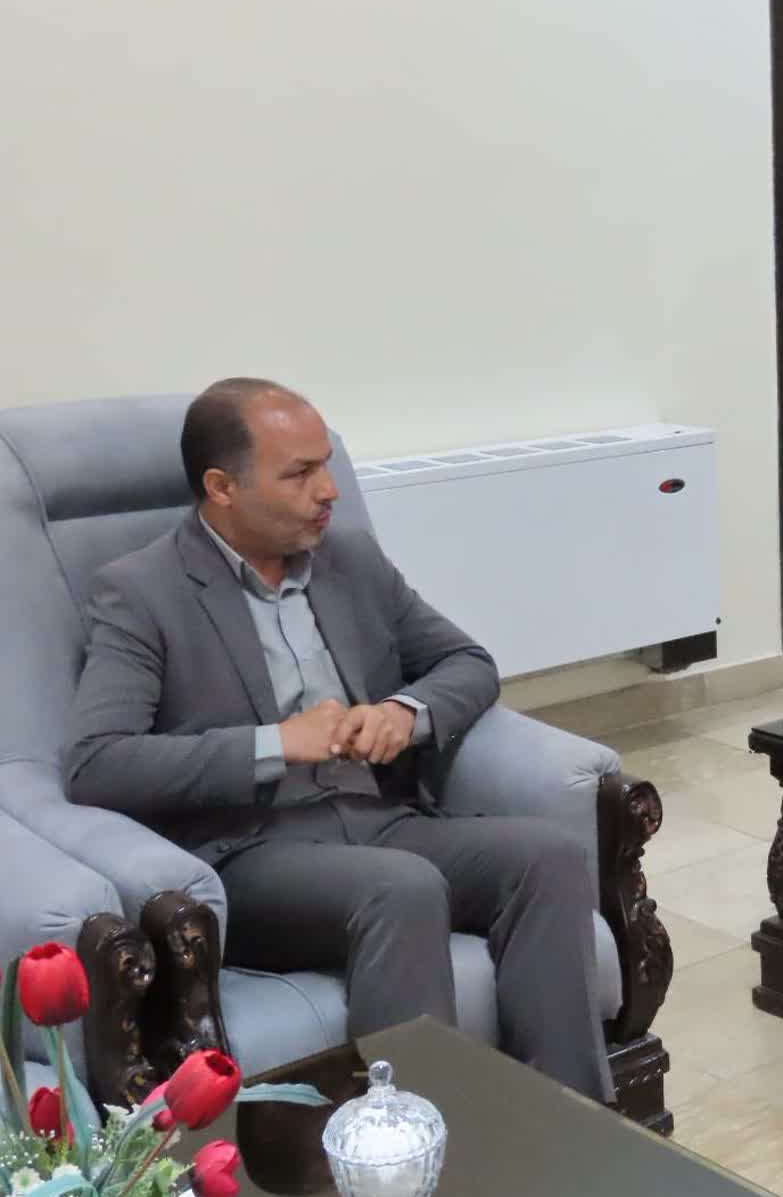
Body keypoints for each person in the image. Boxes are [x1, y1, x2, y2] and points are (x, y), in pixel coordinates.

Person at [61, 378, 613, 1102]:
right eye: (299, 473)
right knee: (402, 888)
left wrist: (404, 713)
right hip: (253, 854)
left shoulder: (351, 560)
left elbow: (467, 662)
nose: (328, 490)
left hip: (383, 819)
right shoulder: (141, 591)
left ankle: (569, 1118)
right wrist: (275, 743)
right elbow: (96, 761)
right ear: (223, 487)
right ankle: (414, 1148)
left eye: (325, 464)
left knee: (549, 857)